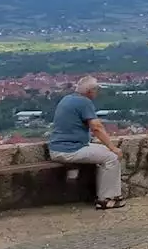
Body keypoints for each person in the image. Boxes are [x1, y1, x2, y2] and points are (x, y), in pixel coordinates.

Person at [48, 76, 126, 209]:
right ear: (90, 91)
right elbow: (96, 127)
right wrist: (113, 147)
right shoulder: (84, 102)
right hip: (70, 150)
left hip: (59, 147)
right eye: (96, 90)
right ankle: (106, 199)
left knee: (105, 153)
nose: (97, 93)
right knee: (112, 157)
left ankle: (111, 194)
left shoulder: (67, 99)